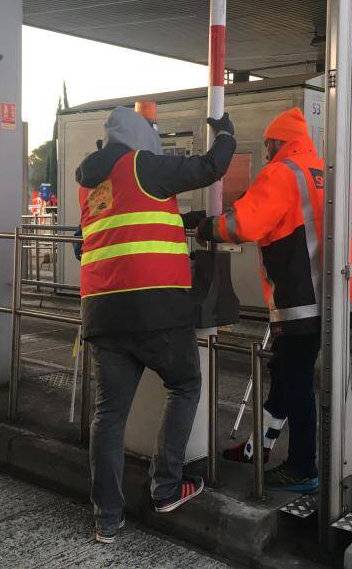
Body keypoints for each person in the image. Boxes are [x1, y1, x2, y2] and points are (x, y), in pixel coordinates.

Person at [76, 106, 235, 543]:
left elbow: (111, 231)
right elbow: (210, 167)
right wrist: (225, 133)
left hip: (102, 312)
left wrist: (181, 222)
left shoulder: (90, 183)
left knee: (108, 416)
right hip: (156, 309)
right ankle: (166, 487)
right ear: (141, 137)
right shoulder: (142, 165)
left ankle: (106, 518)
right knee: (184, 385)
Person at [195, 107, 352, 492]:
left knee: (297, 380)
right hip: (339, 296)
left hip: (301, 299)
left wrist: (207, 226)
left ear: (277, 142)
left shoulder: (282, 173)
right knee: (288, 374)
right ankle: (258, 447)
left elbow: (246, 223)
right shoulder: (333, 175)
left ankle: (303, 466)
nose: (268, 152)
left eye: (270, 145)